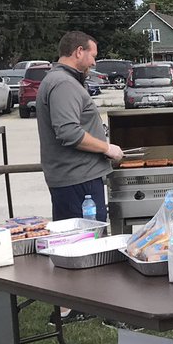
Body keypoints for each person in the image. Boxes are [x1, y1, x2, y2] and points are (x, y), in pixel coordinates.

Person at [36, 31, 123, 221]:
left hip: (77, 180)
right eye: (93, 56)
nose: (94, 63)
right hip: (78, 182)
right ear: (79, 51)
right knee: (87, 236)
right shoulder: (63, 83)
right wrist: (107, 148)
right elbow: (68, 132)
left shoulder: (62, 80)